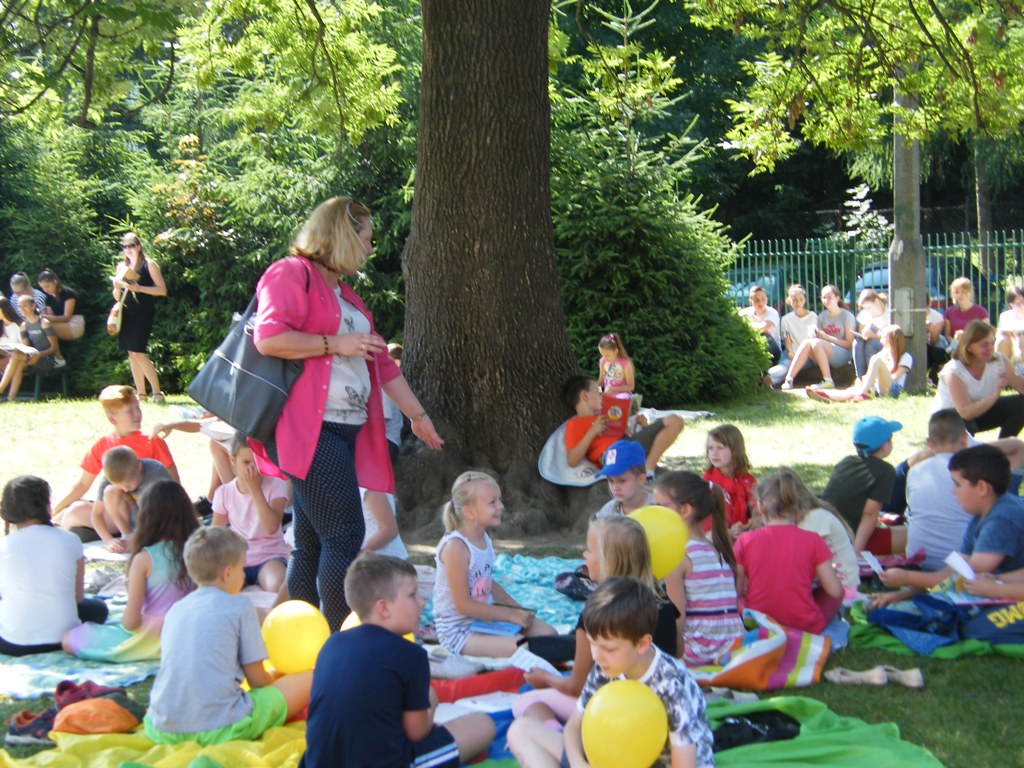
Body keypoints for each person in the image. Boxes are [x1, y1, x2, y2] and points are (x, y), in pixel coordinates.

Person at [251, 196, 441, 630]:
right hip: (307, 429)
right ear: (341, 234)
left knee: (313, 540)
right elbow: (269, 338)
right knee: (344, 535)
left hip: (343, 429)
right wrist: (335, 344)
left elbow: (383, 364)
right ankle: (343, 637)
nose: (371, 249)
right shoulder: (289, 273)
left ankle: (303, 635)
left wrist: (418, 417)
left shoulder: (344, 293)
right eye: (366, 239)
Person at [302, 553, 495, 768]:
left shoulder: (332, 644)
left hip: (317, 762)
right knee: (483, 725)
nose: (422, 602)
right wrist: (431, 701)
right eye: (412, 595)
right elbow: (417, 733)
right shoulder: (410, 655)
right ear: (384, 608)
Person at [510, 516, 681, 741]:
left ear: (609, 561)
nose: (584, 555)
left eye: (589, 551)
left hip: (619, 710)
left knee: (526, 702)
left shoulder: (598, 612)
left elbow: (577, 687)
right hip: (662, 704)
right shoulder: (662, 599)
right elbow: (677, 651)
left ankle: (559, 738)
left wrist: (545, 679)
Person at [519, 577, 715, 768]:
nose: (596, 656)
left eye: (609, 649)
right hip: (611, 757)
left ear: (642, 644)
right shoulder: (605, 667)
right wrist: (578, 763)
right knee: (521, 730)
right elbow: (573, 727)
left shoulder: (673, 684)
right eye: (593, 643)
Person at [143, 527, 312, 746]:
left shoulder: (176, 610)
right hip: (222, 726)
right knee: (313, 677)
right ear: (227, 573)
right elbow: (258, 682)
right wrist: (278, 679)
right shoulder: (240, 607)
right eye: (242, 568)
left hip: (162, 727)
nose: (244, 575)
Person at [63, 480, 198, 662]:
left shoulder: (144, 559)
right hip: (190, 634)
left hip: (153, 638)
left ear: (146, 517)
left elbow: (131, 623)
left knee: (71, 638)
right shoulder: (199, 551)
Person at [876, 444, 1024, 606]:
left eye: (957, 484)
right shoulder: (981, 516)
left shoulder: (1002, 518)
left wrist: (907, 577)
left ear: (982, 488)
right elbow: (956, 572)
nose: (953, 491)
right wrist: (905, 594)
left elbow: (967, 576)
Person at [432, 471, 555, 657]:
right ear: (469, 512)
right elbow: (463, 605)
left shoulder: (484, 539)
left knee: (548, 635)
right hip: (459, 631)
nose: (501, 506)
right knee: (525, 649)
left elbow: (487, 581)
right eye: (492, 502)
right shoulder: (455, 548)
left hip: (486, 621)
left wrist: (518, 609)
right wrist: (510, 615)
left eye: (499, 500)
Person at [51, 385, 179, 542]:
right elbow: (82, 484)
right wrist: (53, 511)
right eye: (130, 411)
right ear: (112, 419)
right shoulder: (103, 444)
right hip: (116, 512)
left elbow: (174, 484)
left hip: (148, 513)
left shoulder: (152, 441)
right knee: (73, 512)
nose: (137, 414)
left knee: (111, 492)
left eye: (138, 408)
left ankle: (124, 536)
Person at [0, 476, 108, 656]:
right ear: (47, 506)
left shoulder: (4, 546)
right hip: (65, 638)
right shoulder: (70, 539)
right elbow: (77, 598)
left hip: (12, 644)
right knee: (99, 608)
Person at [735, 471, 844, 634]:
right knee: (833, 595)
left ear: (760, 506)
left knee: (740, 600)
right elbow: (835, 591)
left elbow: (737, 590)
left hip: (758, 622)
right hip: (804, 626)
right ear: (799, 508)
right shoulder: (813, 540)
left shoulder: (745, 540)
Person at [654, 471, 743, 667]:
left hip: (699, 649)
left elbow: (677, 620)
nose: (653, 514)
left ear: (686, 510)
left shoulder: (678, 556)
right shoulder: (716, 547)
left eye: (659, 507)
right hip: (733, 643)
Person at [212, 432, 290, 593]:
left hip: (269, 556)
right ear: (232, 460)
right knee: (218, 586)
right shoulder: (224, 492)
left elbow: (271, 527)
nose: (252, 469)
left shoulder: (275, 485)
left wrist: (255, 490)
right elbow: (215, 533)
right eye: (246, 462)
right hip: (237, 558)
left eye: (257, 462)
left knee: (278, 584)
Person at [563, 375, 683, 478]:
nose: (601, 395)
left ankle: (649, 468)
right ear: (585, 396)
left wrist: (644, 426)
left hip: (631, 446)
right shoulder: (575, 424)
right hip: (613, 455)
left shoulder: (605, 414)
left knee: (675, 421)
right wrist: (593, 431)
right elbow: (572, 461)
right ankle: (648, 470)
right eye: (597, 391)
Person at [820, 416, 907, 554]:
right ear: (885, 445)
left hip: (823, 531)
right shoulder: (885, 471)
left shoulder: (846, 461)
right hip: (850, 537)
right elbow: (869, 514)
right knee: (914, 536)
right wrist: (855, 553)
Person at [934, 319, 1024, 438]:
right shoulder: (954, 370)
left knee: (1021, 404)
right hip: (949, 419)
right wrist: (995, 394)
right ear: (969, 346)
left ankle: (1006, 445)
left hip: (979, 413)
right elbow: (965, 413)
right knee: (967, 429)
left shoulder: (999, 361)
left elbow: (1021, 386)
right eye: (984, 345)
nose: (990, 348)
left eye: (992, 343)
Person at [778, 466, 860, 595]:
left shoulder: (815, 518)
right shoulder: (808, 517)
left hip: (842, 588)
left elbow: (794, 559)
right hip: (827, 583)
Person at [113, 232, 167, 401]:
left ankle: (157, 392)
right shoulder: (121, 266)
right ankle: (141, 393)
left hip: (143, 312)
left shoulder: (149, 265)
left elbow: (162, 290)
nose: (128, 249)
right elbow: (117, 297)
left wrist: (139, 288)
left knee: (139, 352)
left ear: (138, 246)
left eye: (131, 245)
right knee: (132, 353)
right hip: (127, 312)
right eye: (125, 246)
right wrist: (116, 287)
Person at [94, 446, 174, 552]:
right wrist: (109, 541)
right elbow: (96, 514)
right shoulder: (109, 478)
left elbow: (171, 510)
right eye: (121, 486)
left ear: (139, 467)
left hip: (157, 521)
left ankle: (138, 540)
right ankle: (127, 536)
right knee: (111, 491)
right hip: (132, 521)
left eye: (128, 484)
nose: (126, 489)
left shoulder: (156, 473)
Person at [807, 324, 912, 403]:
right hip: (878, 389)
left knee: (875, 359)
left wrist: (872, 380)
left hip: (893, 390)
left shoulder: (906, 357)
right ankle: (826, 396)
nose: (881, 340)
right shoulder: (883, 354)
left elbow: (894, 378)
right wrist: (867, 380)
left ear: (893, 339)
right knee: (851, 391)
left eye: (884, 337)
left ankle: (862, 394)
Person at [781, 284, 855, 390]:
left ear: (837, 298)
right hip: (824, 351)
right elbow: (817, 339)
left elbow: (849, 344)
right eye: (824, 297)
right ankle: (789, 380)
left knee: (815, 342)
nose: (826, 300)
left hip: (843, 355)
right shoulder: (821, 316)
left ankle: (828, 381)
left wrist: (827, 337)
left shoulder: (847, 316)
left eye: (829, 297)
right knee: (808, 342)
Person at [0, 294, 62, 402]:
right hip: (31, 357)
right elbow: (26, 347)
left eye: (24, 306)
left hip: (46, 359)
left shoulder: (44, 323)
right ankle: (10, 399)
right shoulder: (24, 325)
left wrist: (39, 354)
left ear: (33, 306)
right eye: (19, 307)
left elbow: (54, 348)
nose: (21, 309)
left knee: (16, 356)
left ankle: (1, 390)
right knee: (18, 362)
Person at [702, 424, 756, 533]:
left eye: (720, 448)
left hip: (744, 534)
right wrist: (729, 532)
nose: (714, 453)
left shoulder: (748, 480)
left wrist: (756, 519)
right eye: (710, 448)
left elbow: (757, 507)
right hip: (716, 537)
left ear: (735, 450)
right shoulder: (706, 483)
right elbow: (705, 523)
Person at [769, 283, 818, 387]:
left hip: (807, 355)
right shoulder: (786, 319)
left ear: (804, 300)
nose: (798, 302)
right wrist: (790, 352)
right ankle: (769, 382)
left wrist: (797, 355)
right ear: (789, 301)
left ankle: (764, 376)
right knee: (785, 367)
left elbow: (814, 337)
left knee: (786, 366)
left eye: (800, 299)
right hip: (791, 353)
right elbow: (787, 338)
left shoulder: (813, 317)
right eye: (794, 300)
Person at [594, 440, 653, 518]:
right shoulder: (608, 513)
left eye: (622, 481)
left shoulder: (659, 506)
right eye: (611, 481)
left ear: (641, 479)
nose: (615, 488)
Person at [852, 289, 890, 381]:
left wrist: (873, 336)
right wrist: (864, 334)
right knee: (857, 343)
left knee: (871, 343)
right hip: (869, 341)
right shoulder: (865, 314)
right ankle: (860, 378)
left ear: (876, 301)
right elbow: (861, 333)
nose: (867, 310)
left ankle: (872, 379)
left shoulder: (888, 313)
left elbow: (890, 338)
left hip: (884, 345)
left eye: (869, 307)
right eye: (865, 308)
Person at [37, 268, 84, 342]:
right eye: (43, 288)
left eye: (47, 286)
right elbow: (51, 317)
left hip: (74, 324)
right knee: (39, 326)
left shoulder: (68, 293)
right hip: (60, 324)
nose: (45, 290)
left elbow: (66, 318)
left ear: (55, 282)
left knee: (44, 328)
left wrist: (44, 317)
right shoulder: (48, 298)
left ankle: (55, 349)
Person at [739, 284, 782, 365]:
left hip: (773, 351)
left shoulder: (772, 312)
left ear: (767, 300)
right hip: (753, 348)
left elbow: (763, 327)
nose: (760, 302)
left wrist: (747, 325)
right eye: (757, 300)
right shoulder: (745, 313)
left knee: (764, 334)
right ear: (750, 301)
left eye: (763, 299)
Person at [944, 277, 988, 345]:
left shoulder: (981, 311)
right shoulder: (949, 312)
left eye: (963, 292)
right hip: (956, 347)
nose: (959, 295)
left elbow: (987, 333)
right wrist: (956, 342)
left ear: (970, 293)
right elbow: (947, 336)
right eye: (957, 292)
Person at [996, 285, 1024, 371]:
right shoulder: (1005, 316)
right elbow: (999, 334)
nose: (1018, 306)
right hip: (1011, 348)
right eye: (1015, 304)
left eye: (1021, 303)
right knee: (1003, 339)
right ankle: (1000, 372)